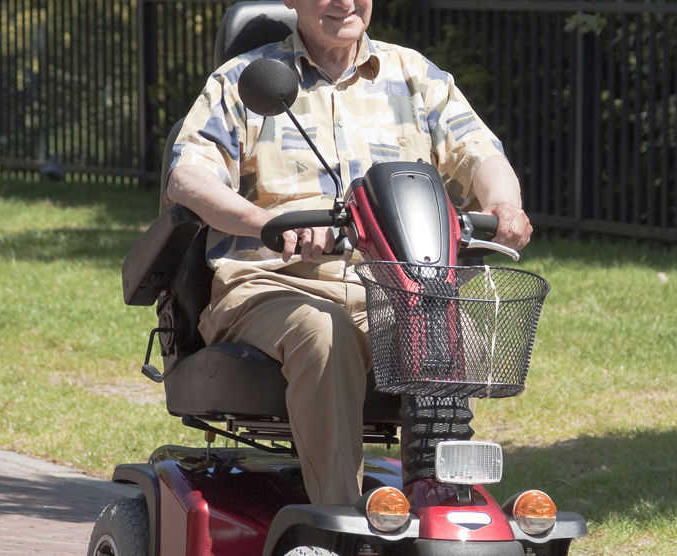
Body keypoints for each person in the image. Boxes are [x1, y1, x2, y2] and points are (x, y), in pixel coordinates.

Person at [165, 0, 532, 506]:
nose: (343, 1)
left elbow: (480, 152)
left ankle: (440, 502)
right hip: (273, 283)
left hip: (393, 284)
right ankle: (337, 522)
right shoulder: (244, 80)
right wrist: (265, 223)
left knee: (453, 327)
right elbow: (188, 177)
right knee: (324, 333)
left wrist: (503, 204)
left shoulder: (413, 75)